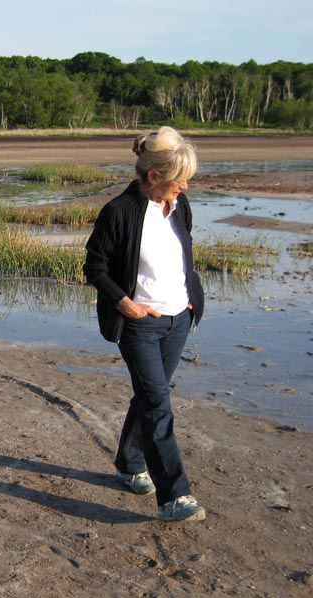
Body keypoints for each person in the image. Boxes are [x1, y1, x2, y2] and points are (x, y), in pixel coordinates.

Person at [83, 126, 206, 522]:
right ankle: (175, 496)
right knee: (157, 403)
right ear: (154, 176)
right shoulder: (119, 212)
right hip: (140, 324)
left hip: (178, 320)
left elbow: (183, 256)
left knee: (149, 399)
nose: (184, 185)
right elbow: (94, 266)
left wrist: (190, 299)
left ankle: (128, 464)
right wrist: (127, 305)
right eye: (178, 178)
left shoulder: (180, 207)